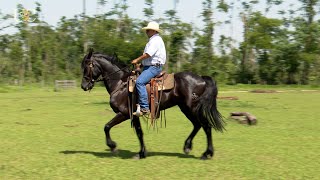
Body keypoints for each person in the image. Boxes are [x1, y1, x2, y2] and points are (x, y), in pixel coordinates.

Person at [131, 21, 166, 115]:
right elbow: (149, 58)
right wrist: (140, 65)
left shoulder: (156, 40)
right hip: (149, 67)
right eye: (146, 30)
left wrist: (137, 60)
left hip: (154, 68)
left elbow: (148, 54)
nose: (146, 31)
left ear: (154, 31)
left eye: (148, 30)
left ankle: (145, 108)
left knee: (139, 82)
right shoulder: (152, 40)